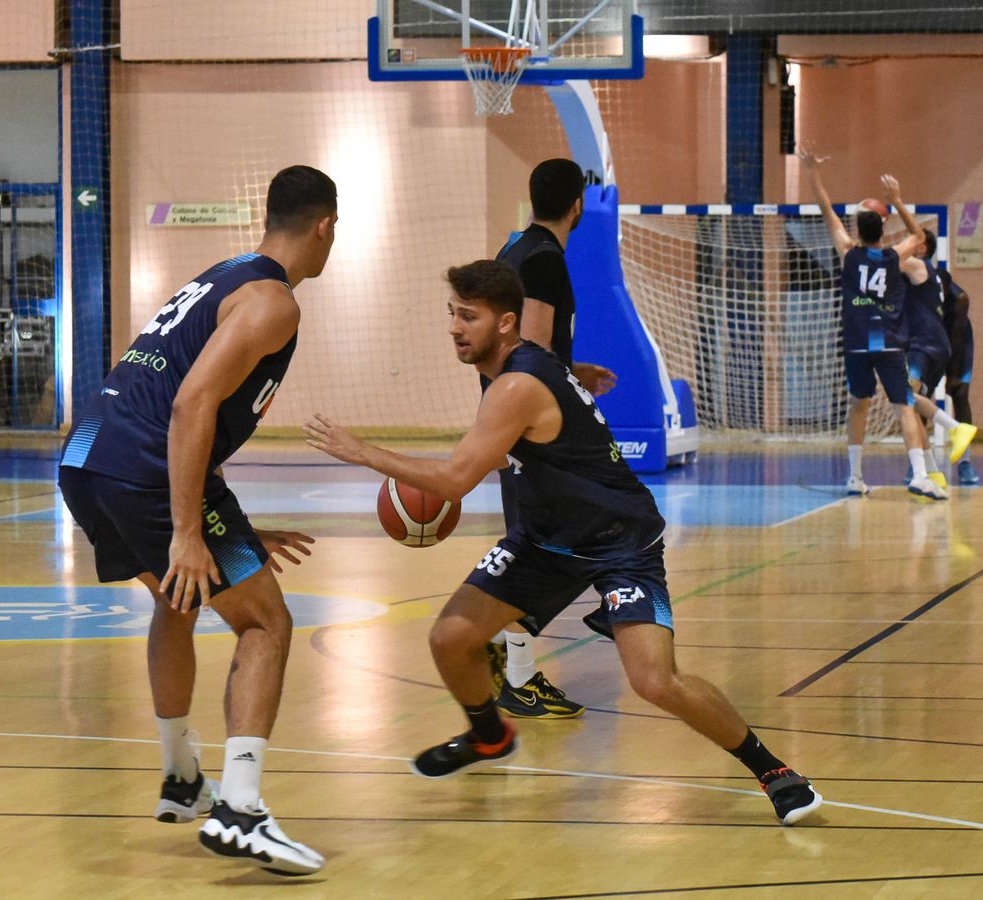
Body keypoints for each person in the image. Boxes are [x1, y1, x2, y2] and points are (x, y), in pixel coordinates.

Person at [302, 260, 823, 825]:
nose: (455, 327)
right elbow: (543, 381)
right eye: (452, 313)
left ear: (505, 323)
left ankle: (774, 771)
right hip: (546, 539)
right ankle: (489, 736)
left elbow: (455, 481)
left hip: (618, 540)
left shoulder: (516, 385)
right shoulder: (519, 363)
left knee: (654, 680)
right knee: (452, 638)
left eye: (468, 317)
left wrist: (362, 453)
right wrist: (576, 377)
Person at [56, 165, 336, 875]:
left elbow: (162, 394)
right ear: (326, 226)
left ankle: (183, 778)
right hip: (145, 470)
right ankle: (240, 810)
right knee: (267, 622)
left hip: (89, 454)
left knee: (174, 601)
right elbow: (189, 406)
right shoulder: (273, 302)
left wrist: (232, 536)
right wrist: (189, 530)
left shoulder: (225, 273)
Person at [484, 158, 617, 720]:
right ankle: (612, 604)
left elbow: (519, 351)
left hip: (511, 420)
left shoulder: (510, 253)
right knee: (603, 516)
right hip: (537, 430)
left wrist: (574, 369)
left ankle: (514, 667)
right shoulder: (544, 261)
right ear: (578, 205)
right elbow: (533, 353)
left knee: (539, 540)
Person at [800, 148, 945, 500]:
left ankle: (854, 477)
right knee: (904, 407)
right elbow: (922, 239)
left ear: (857, 229)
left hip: (856, 344)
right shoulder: (894, 257)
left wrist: (813, 174)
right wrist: (896, 200)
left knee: (858, 405)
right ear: (883, 227)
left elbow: (826, 210)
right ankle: (921, 475)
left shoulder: (847, 253)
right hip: (888, 343)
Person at [881, 181, 978, 486]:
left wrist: (890, 209)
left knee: (917, 394)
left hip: (939, 341)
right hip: (927, 342)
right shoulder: (914, 274)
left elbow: (960, 303)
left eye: (910, 241)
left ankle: (956, 443)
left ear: (921, 248)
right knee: (911, 401)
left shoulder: (919, 267)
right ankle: (930, 469)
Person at [937, 265, 980, 484]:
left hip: (959, 342)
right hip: (931, 340)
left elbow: (957, 336)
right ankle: (920, 464)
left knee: (960, 394)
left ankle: (965, 462)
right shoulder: (917, 286)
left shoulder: (959, 298)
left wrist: (952, 374)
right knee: (920, 397)